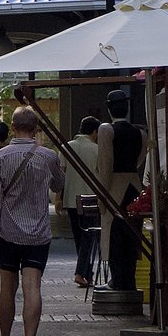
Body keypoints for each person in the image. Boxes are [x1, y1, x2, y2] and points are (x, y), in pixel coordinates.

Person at [0, 106, 65, 336]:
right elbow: (59, 184)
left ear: (13, 128)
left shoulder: (0, 157)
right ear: (37, 129)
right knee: (33, 287)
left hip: (7, 232)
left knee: (7, 288)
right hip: (38, 233)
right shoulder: (47, 156)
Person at [103, 88, 146, 296]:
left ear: (109, 108)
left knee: (115, 235)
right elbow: (140, 158)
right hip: (134, 185)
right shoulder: (141, 132)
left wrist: (102, 191)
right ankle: (127, 278)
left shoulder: (106, 130)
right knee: (133, 235)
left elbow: (105, 163)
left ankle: (118, 279)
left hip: (114, 186)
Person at [65, 116, 107, 289]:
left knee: (79, 238)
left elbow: (61, 173)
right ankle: (80, 273)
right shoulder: (98, 150)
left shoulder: (66, 147)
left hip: (70, 199)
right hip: (90, 200)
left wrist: (58, 198)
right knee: (89, 237)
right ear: (94, 132)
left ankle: (86, 274)